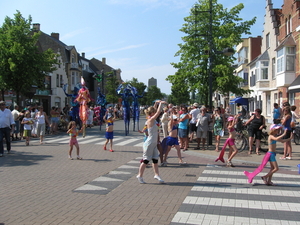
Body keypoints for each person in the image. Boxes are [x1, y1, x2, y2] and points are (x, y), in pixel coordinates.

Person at [136, 100, 166, 184]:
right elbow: (158, 111)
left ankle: (157, 174)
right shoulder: (150, 120)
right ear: (152, 113)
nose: (156, 112)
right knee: (146, 160)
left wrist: (156, 104)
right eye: (154, 112)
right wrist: (161, 103)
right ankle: (140, 175)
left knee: (155, 159)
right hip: (149, 142)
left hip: (154, 143)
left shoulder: (152, 119)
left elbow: (155, 110)